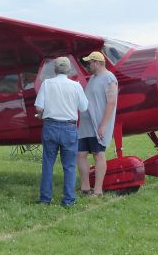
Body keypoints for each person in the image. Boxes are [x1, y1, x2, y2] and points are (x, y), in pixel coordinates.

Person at [34, 57, 88, 207]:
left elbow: (39, 108)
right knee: (69, 166)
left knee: (48, 164)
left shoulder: (47, 84)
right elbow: (84, 107)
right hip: (69, 128)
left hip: (50, 126)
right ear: (69, 70)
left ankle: (45, 198)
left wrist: (41, 115)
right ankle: (69, 200)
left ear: (55, 69)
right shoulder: (76, 86)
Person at [77, 51, 118, 197]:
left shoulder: (109, 78)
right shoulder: (93, 78)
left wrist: (103, 125)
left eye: (90, 63)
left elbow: (111, 103)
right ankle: (85, 188)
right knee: (80, 154)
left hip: (98, 124)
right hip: (85, 126)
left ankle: (98, 190)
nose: (88, 66)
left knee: (98, 154)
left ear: (98, 63)